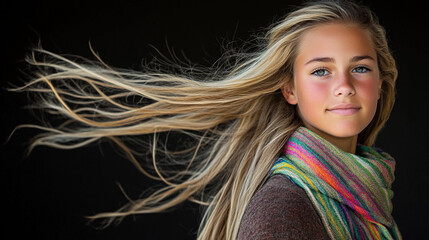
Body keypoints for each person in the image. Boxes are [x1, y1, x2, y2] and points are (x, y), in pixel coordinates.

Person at [11, 0, 401, 239]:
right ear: (289, 89)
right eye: (321, 71)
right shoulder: (284, 209)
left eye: (361, 68)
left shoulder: (368, 197)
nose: (345, 86)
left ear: (381, 83)